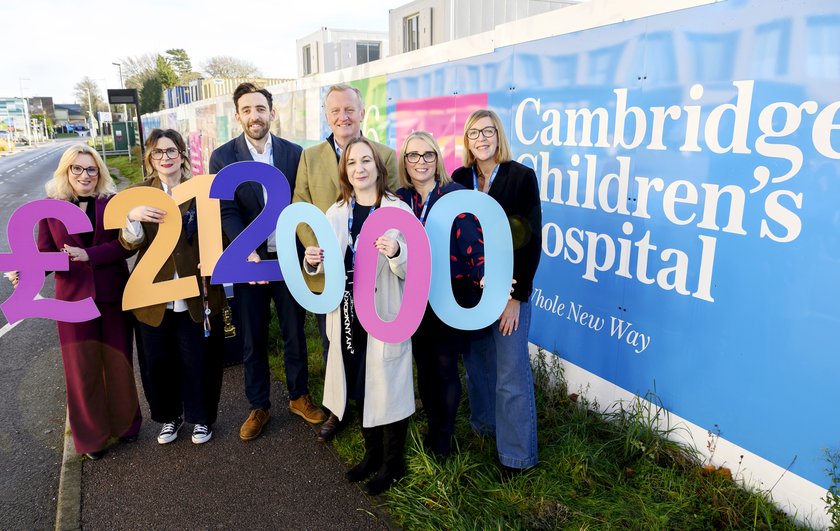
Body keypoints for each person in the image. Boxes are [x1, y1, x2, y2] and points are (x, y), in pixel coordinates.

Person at [209, 82, 325, 441]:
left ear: (272, 113)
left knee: (295, 331)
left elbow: (302, 203)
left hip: (287, 257)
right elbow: (226, 210)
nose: (254, 116)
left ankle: (298, 396)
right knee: (253, 336)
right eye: (247, 110)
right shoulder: (223, 157)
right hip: (250, 259)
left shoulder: (294, 154)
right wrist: (245, 250)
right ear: (238, 116)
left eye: (260, 109)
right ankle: (258, 405)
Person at [14, 144, 142, 460]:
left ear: (99, 172)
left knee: (119, 362)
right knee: (82, 369)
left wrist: (90, 255)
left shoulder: (111, 203)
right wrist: (27, 270)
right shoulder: (50, 208)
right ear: (66, 171)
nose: (85, 175)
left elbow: (124, 247)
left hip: (112, 295)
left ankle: (126, 426)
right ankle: (91, 439)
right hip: (71, 300)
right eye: (78, 169)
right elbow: (45, 253)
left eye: (91, 169)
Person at [303, 136, 414, 495]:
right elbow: (326, 267)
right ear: (345, 171)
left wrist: (397, 251)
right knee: (360, 380)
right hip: (349, 311)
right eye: (352, 163)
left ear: (378, 167)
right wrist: (311, 261)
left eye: (366, 161)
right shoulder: (336, 213)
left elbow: (416, 269)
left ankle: (393, 463)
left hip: (386, 311)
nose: (360, 168)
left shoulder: (399, 211)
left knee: (390, 384)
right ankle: (371, 455)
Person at [292, 84, 398, 442]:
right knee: (332, 342)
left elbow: (398, 209)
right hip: (331, 275)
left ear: (362, 112)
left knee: (374, 346)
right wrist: (315, 252)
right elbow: (301, 207)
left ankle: (376, 408)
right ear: (326, 116)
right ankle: (338, 409)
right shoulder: (310, 158)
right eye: (335, 111)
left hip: (378, 278)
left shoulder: (386, 154)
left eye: (350, 109)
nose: (343, 117)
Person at [451, 109, 542, 474]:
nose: (481, 139)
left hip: (507, 293)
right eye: (474, 133)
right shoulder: (459, 178)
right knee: (477, 366)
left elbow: (530, 239)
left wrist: (516, 297)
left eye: (488, 131)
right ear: (467, 141)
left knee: (510, 372)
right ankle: (485, 427)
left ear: (498, 136)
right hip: (470, 293)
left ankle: (517, 455)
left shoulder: (520, 177)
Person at [120, 129, 225, 445]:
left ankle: (202, 418)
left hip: (196, 294)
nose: (164, 157)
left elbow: (221, 235)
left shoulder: (202, 191)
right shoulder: (138, 193)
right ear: (150, 159)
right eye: (157, 153)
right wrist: (132, 217)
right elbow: (126, 246)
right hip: (153, 299)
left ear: (182, 153)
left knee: (200, 360)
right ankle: (170, 418)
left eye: (170, 151)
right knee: (158, 361)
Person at [394, 131, 484, 457]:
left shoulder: (455, 194)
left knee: (445, 366)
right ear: (405, 161)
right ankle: (433, 428)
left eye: (428, 155)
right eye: (414, 155)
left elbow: (473, 241)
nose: (421, 162)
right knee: (423, 365)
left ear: (437, 159)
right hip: (413, 292)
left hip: (449, 293)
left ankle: (444, 440)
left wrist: (483, 274)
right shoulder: (399, 199)